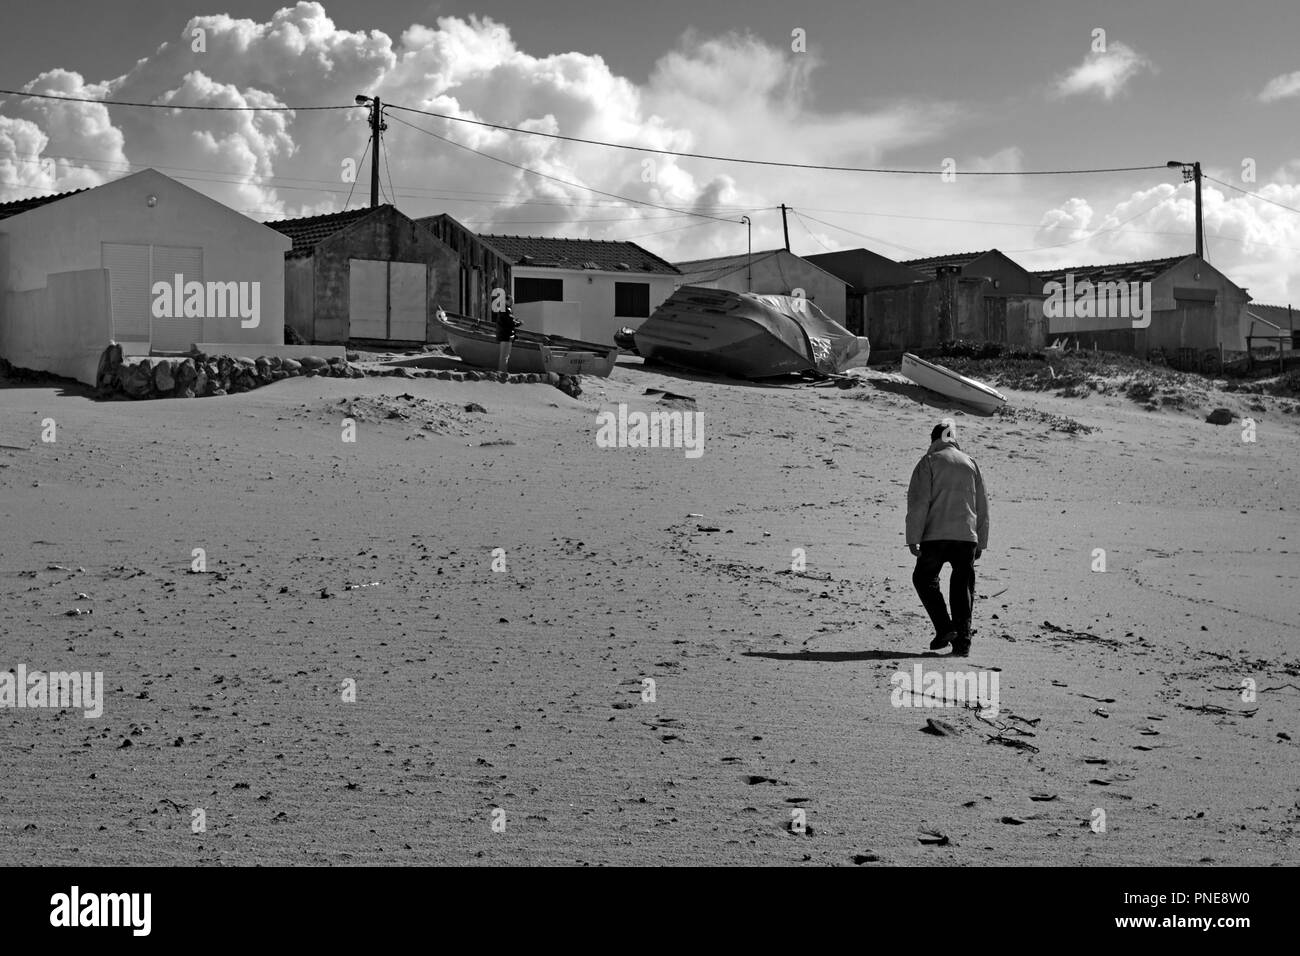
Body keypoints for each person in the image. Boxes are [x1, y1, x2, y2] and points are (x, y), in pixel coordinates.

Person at [905, 419, 989, 657]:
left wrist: (913, 538)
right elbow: (982, 506)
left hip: (936, 535)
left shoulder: (928, 462)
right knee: (962, 587)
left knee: (924, 578)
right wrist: (981, 541)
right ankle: (962, 643)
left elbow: (919, 503)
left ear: (934, 439)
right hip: (966, 536)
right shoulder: (970, 463)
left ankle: (944, 628)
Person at [489, 277, 519, 373]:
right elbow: (510, 322)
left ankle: (501, 372)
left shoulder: (502, 310)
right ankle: (502, 374)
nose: (512, 303)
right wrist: (518, 323)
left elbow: (507, 320)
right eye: (511, 301)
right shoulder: (506, 309)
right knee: (505, 357)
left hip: (503, 335)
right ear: (507, 301)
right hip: (506, 336)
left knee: (503, 356)